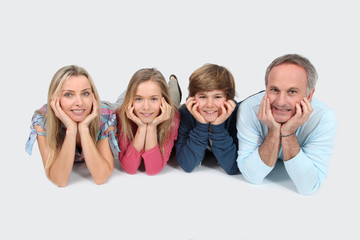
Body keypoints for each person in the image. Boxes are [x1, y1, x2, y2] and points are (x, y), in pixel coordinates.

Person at [236, 54, 337, 195]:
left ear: (309, 95)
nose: (281, 101)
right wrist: (274, 131)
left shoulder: (324, 118)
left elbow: (309, 187)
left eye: (292, 91)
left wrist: (288, 133)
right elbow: (252, 175)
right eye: (274, 90)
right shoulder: (249, 109)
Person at [25, 65, 119, 187]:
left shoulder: (104, 116)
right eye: (69, 95)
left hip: (121, 108)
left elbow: (101, 177)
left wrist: (84, 129)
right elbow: (60, 180)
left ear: (93, 96)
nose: (79, 103)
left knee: (143, 90)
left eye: (85, 93)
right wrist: (71, 129)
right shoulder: (43, 121)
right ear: (55, 99)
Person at [175, 64, 239, 175]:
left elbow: (233, 167)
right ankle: (173, 82)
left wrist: (218, 127)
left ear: (229, 98)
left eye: (217, 97)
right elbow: (187, 165)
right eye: (203, 97)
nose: (209, 105)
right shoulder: (185, 113)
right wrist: (201, 125)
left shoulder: (237, 114)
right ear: (193, 98)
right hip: (178, 108)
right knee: (173, 105)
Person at [116, 68, 180, 175]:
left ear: (162, 100)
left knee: (174, 98)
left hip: (168, 107)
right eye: (139, 99)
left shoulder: (173, 117)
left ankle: (173, 81)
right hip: (130, 106)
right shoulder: (121, 114)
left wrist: (151, 126)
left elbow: (153, 170)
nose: (146, 107)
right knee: (123, 99)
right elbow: (129, 168)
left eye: (154, 99)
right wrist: (141, 127)